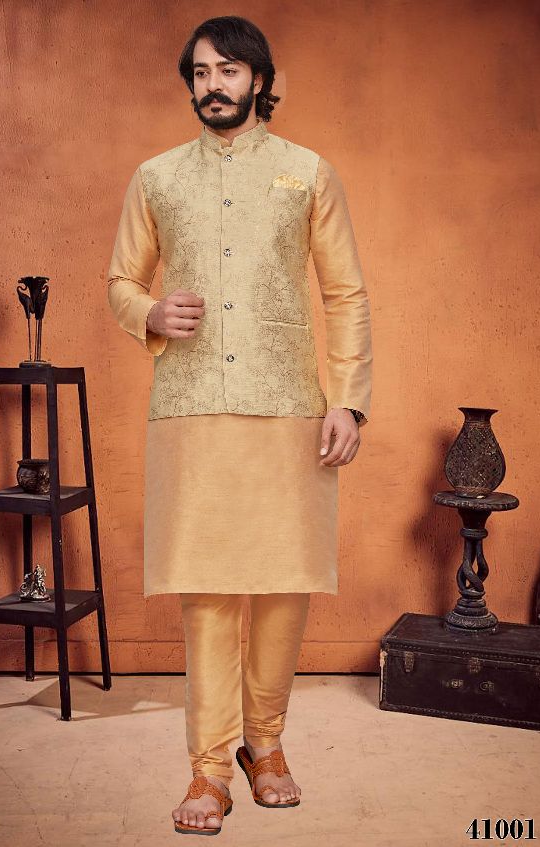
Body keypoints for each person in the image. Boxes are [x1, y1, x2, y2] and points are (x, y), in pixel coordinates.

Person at [107, 15, 373, 836]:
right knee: (208, 588)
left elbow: (345, 292)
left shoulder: (307, 173)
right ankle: (211, 768)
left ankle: (268, 744)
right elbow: (120, 281)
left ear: (260, 79)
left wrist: (348, 399)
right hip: (191, 406)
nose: (211, 85)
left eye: (226, 70)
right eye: (199, 72)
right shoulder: (156, 177)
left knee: (285, 583)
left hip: (289, 404)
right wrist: (150, 311)